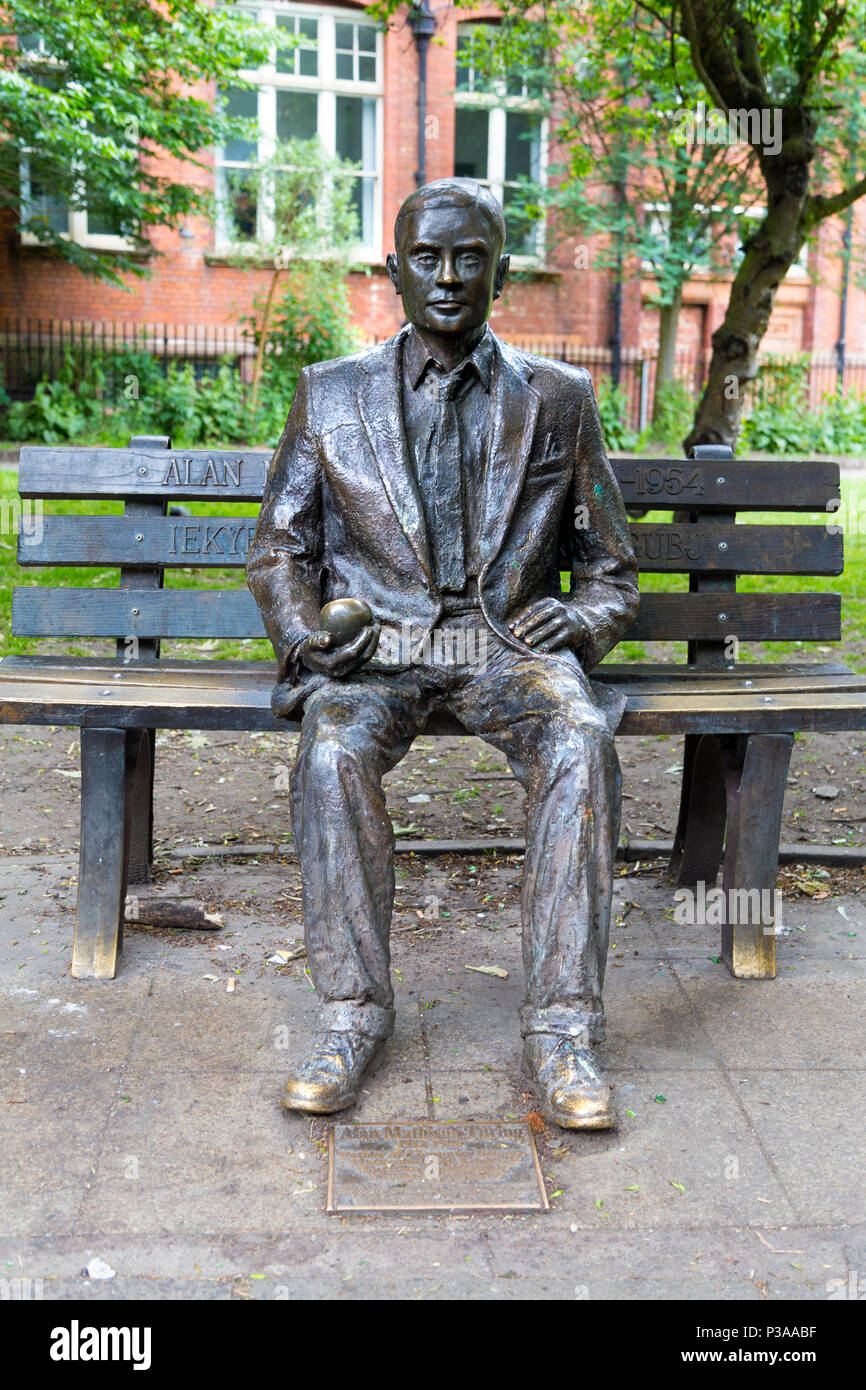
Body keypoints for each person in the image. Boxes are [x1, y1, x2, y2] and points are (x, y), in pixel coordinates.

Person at [247, 178, 639, 1129]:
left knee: (581, 742)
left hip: (504, 645)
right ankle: (350, 1012)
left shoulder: (559, 398)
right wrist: (307, 637)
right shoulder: (329, 394)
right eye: (429, 258)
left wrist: (584, 624)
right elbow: (279, 548)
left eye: (472, 256)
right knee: (333, 754)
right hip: (378, 651)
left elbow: (611, 570)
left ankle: (562, 1028)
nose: (451, 276)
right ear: (396, 272)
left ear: (500, 270)